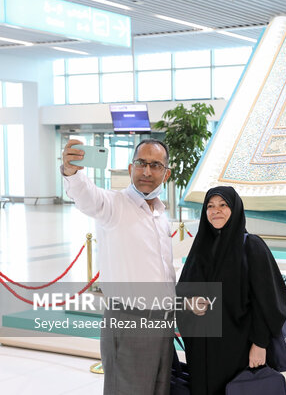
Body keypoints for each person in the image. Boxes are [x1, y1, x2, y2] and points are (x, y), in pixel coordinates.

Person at [61, 138, 175, 395]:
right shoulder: (113, 205)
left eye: (155, 165)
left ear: (165, 174)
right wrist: (72, 172)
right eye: (141, 163)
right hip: (130, 321)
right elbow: (86, 195)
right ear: (130, 168)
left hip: (164, 322)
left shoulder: (160, 213)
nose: (147, 171)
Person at [177, 186, 286, 395]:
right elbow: (183, 291)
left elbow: (267, 300)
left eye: (223, 205)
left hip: (238, 347)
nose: (215, 210)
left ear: (234, 209)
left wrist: (260, 343)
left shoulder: (251, 246)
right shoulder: (201, 248)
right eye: (210, 206)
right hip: (202, 348)